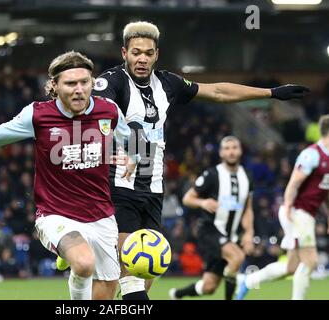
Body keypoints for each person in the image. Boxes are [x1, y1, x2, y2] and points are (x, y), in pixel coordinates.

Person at [87, 20, 309, 300]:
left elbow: (217, 91)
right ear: (124, 53)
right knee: (129, 272)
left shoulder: (168, 83)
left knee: (147, 272)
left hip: (153, 189)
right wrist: (115, 146)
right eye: (135, 52)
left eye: (148, 52)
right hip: (118, 187)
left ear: (156, 54)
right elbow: (97, 114)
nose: (142, 58)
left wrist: (272, 93)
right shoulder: (112, 82)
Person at [0, 51, 136, 300]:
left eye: (84, 82)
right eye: (70, 83)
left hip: (101, 216)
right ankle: (71, 259)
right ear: (54, 85)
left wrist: (133, 158)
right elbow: (2, 132)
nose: (79, 90)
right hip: (56, 214)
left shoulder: (109, 110)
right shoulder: (38, 114)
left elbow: (130, 140)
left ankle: (71, 259)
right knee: (84, 263)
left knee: (106, 295)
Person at [236, 115, 329, 300]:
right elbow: (294, 182)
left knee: (291, 267)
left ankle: (249, 280)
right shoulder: (313, 154)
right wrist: (288, 205)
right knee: (311, 261)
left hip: (305, 212)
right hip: (297, 211)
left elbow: (324, 192)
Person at [168, 136, 254, 300]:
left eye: (234, 147)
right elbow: (187, 198)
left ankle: (177, 294)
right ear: (221, 153)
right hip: (210, 230)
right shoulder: (212, 175)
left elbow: (248, 208)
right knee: (237, 257)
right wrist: (203, 202)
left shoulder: (247, 177)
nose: (231, 152)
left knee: (209, 287)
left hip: (231, 236)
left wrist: (249, 233)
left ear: (240, 151)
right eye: (227, 148)